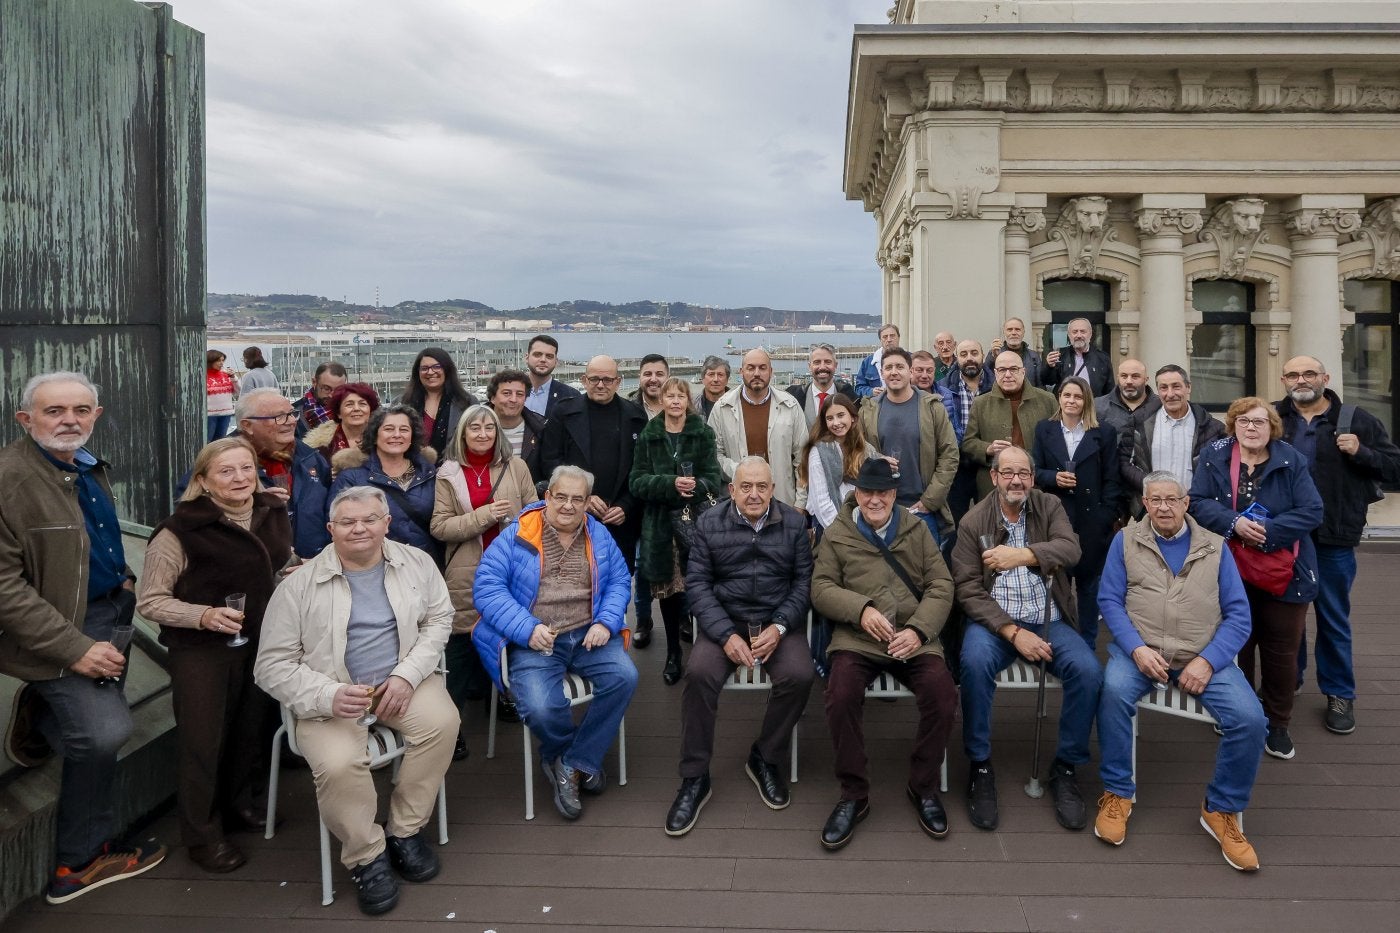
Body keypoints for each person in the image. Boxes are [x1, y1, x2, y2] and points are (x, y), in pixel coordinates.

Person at [0, 372, 167, 904]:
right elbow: (5, 587)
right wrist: (74, 649)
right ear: (26, 419)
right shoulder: (10, 481)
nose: (69, 420)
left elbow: (89, 536)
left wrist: (124, 579)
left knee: (100, 724)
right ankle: (80, 861)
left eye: (80, 409)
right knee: (100, 735)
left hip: (109, 611)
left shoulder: (86, 466)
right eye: (53, 411)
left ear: (96, 414)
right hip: (65, 629)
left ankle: (45, 710)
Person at [255, 486, 457, 916]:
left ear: (387, 523)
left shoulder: (416, 563)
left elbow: (439, 619)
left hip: (400, 681)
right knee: (338, 763)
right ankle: (367, 855)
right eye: (347, 522)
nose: (359, 528)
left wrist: (406, 675)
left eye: (370, 519)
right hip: (330, 693)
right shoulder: (299, 586)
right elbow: (271, 666)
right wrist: (328, 695)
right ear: (331, 530)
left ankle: (405, 830)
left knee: (442, 724)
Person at [1093, 470, 1265, 871]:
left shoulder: (1216, 547)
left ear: (1186, 503)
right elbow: (1110, 600)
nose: (1163, 507)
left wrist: (1208, 661)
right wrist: (1135, 649)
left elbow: (1239, 616)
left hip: (1202, 656)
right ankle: (1118, 791)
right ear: (1145, 503)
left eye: (1172, 499)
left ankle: (1221, 809)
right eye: (1155, 500)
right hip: (1142, 654)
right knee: (1112, 692)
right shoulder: (1126, 541)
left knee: (1251, 719)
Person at [136, 437, 292, 873]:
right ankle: (202, 836)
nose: (241, 478)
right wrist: (203, 615)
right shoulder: (178, 530)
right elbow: (150, 601)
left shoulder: (270, 511)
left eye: (246, 468)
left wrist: (290, 570)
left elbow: (275, 563)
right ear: (203, 481)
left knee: (249, 731)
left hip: (260, 641)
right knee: (203, 742)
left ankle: (239, 806)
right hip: (201, 651)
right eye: (227, 471)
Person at [472, 466, 639, 822]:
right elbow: (487, 587)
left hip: (587, 634)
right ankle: (568, 755)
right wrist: (527, 628)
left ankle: (574, 762)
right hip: (537, 640)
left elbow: (620, 581)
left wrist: (607, 621)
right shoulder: (518, 533)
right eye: (560, 496)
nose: (568, 505)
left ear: (586, 502)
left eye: (577, 499)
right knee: (540, 706)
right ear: (547, 496)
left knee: (624, 677)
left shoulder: (599, 534)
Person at [952, 446, 1102, 832]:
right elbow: (967, 589)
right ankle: (980, 763)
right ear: (994, 477)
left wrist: (1022, 556)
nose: (1016, 480)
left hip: (1050, 619)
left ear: (1033, 479)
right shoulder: (973, 521)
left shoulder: (1049, 506)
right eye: (1008, 473)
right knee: (972, 663)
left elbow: (1071, 550)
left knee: (1088, 671)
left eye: (1023, 473)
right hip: (996, 624)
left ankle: (1065, 767)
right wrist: (1012, 632)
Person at [811, 458, 958, 849]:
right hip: (858, 639)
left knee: (943, 697)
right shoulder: (838, 533)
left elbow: (942, 585)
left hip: (914, 636)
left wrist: (919, 629)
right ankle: (854, 794)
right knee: (839, 695)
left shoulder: (916, 529)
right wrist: (860, 610)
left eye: (884, 492)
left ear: (894, 494)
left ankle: (923, 786)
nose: (875, 499)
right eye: (868, 492)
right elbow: (821, 587)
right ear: (856, 493)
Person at [664, 458, 814, 837]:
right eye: (745, 486)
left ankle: (765, 756)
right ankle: (695, 777)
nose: (754, 494)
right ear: (732, 490)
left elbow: (803, 584)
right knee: (697, 674)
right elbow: (697, 584)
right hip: (725, 623)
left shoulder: (794, 524)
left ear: (774, 489)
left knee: (799, 675)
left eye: (762, 486)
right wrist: (725, 635)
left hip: (775, 621)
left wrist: (780, 626)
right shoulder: (709, 523)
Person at [1188, 399, 1323, 761]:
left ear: (1272, 427)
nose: (1252, 427)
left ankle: (1277, 723)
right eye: (1244, 421)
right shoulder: (1214, 457)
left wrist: (1266, 530)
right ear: (1233, 426)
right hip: (1230, 569)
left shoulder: (1290, 459)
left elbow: (1312, 510)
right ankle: (1240, 714)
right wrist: (1233, 523)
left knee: (1281, 651)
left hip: (1284, 572)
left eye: (1260, 421)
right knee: (1237, 646)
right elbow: (1197, 502)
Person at [1274, 356, 1400, 734]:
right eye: (1294, 374)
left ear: (1325, 378)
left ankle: (1339, 692)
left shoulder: (1357, 420)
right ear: (1284, 380)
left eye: (1309, 373)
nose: (1302, 380)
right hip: (1287, 536)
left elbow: (1394, 468)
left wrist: (1361, 452)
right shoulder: (1273, 418)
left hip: (1334, 536)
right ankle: (1287, 682)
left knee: (1332, 618)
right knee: (1286, 617)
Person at [432, 404, 539, 761]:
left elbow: (535, 515)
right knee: (460, 648)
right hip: (466, 570)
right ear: (462, 434)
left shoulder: (516, 466)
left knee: (509, 636)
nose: (482, 434)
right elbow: (440, 527)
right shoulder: (447, 473)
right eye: (474, 428)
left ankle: (507, 698)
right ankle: (451, 727)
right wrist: (482, 516)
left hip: (511, 569)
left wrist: (517, 523)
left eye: (488, 428)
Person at [538, 355, 649, 646]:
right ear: (584, 380)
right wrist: (584, 500)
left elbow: (643, 469)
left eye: (608, 379)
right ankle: (569, 643)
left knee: (618, 585)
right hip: (573, 516)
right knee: (571, 583)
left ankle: (611, 642)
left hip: (620, 519)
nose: (601, 385)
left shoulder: (635, 414)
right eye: (594, 379)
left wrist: (626, 504)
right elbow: (550, 462)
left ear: (618, 381)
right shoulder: (564, 413)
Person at [629, 377, 723, 685]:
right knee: (668, 594)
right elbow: (637, 481)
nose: (674, 401)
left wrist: (695, 486)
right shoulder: (649, 435)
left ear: (688, 400)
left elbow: (714, 477)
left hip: (697, 524)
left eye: (680, 395)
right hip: (661, 526)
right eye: (669, 396)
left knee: (700, 588)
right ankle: (673, 653)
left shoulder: (703, 433)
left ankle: (704, 652)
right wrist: (669, 484)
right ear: (662, 401)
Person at [1033, 376, 1122, 648]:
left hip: (1091, 520)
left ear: (1087, 401)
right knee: (1057, 584)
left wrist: (1105, 516)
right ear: (1059, 398)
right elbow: (1034, 470)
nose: (1071, 401)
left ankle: (1088, 643)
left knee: (1087, 586)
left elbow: (1112, 478)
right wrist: (1053, 478)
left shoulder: (1103, 432)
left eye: (1078, 397)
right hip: (1056, 518)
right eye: (1067, 395)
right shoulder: (1044, 429)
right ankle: (1059, 643)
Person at [857, 347, 959, 552]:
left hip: (922, 509)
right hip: (882, 509)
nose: (894, 372)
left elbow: (950, 455)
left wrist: (929, 501)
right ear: (882, 373)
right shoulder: (868, 410)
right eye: (888, 368)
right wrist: (877, 460)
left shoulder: (932, 408)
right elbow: (857, 453)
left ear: (910, 371)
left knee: (925, 575)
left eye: (899, 367)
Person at [331, 404, 442, 566]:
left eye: (404, 430)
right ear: (375, 434)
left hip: (425, 564)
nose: (397, 435)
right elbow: (338, 526)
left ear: (413, 436)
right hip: (374, 565)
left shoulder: (429, 473)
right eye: (389, 429)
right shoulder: (352, 478)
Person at [233, 388, 333, 560]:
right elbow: (196, 511)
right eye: (278, 417)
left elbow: (331, 511)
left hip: (312, 566)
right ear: (247, 425)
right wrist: (248, 502)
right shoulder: (222, 462)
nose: (291, 421)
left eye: (292, 413)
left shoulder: (311, 458)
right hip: (255, 571)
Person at [707, 348, 808, 509]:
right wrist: (741, 471)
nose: (756, 373)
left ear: (771, 371)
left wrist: (800, 503)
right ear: (741, 371)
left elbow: (803, 458)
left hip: (782, 501)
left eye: (762, 368)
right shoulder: (722, 408)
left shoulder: (790, 406)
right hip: (738, 505)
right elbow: (713, 454)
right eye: (750, 368)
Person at [1119, 364, 1225, 503]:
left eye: (1176, 386)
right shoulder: (1138, 422)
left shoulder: (1212, 428)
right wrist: (1149, 486)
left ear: (1188, 387)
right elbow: (1124, 462)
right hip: (1152, 506)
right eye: (1163, 388)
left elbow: (1220, 470)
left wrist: (1195, 494)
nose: (1170, 394)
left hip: (1196, 507)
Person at [961, 350, 1058, 500]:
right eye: (1002, 370)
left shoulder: (1047, 400)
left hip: (1037, 485)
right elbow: (968, 443)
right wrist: (987, 448)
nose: (1007, 375)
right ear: (995, 373)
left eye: (1013, 369)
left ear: (1023, 371)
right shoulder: (981, 403)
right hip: (993, 486)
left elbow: (1058, 442)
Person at [800, 395, 879, 532]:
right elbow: (821, 502)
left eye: (841, 415)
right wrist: (843, 532)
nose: (836, 423)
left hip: (863, 526)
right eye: (830, 418)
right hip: (832, 528)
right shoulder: (819, 451)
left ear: (852, 417)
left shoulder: (864, 448)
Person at [940, 338, 994, 522]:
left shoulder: (997, 387)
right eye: (963, 354)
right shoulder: (943, 388)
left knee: (989, 520)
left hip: (988, 465)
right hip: (957, 468)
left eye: (974, 353)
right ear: (956, 358)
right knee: (956, 523)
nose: (969, 358)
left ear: (983, 356)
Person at [401, 347, 477, 459]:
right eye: (424, 368)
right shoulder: (402, 403)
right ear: (417, 373)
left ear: (447, 369)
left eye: (437, 367)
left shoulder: (467, 403)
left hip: (454, 470)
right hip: (410, 471)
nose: (430, 372)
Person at [486, 369, 546, 482]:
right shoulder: (474, 427)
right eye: (506, 393)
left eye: (519, 394)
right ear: (493, 398)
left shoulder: (540, 429)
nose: (513, 399)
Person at [303, 382, 381, 462]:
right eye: (349, 404)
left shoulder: (383, 439)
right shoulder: (319, 447)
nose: (356, 408)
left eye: (362, 404)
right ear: (339, 413)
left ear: (371, 411)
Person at [787, 343, 856, 428]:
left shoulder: (850, 397)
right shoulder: (794, 397)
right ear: (809, 366)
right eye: (817, 362)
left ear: (835, 366)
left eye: (827, 362)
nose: (822, 367)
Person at [1041, 318, 1112, 396]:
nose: (1079, 335)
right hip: (1067, 405)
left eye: (1083, 331)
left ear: (1090, 334)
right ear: (1069, 335)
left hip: (1093, 405)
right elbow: (1048, 381)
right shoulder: (1060, 355)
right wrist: (1049, 367)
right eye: (1075, 332)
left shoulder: (1102, 358)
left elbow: (1109, 389)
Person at [1093, 358, 1152, 446]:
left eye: (1135, 376)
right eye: (1124, 376)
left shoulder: (1160, 406)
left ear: (1146, 380)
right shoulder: (1097, 406)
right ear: (1118, 378)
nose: (1129, 381)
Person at [523, 334, 581, 419]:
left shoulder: (571, 396)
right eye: (537, 354)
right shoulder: (511, 392)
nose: (543, 360)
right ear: (527, 358)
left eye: (549, 356)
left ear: (556, 361)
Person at [293, 361, 348, 437]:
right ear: (314, 382)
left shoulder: (351, 411)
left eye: (339, 390)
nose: (332, 395)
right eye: (326, 388)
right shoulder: (294, 413)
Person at [986, 317, 1045, 388]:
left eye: (1017, 329)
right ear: (1004, 332)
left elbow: (1040, 384)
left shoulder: (1034, 356)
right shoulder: (995, 353)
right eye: (1009, 330)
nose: (1014, 333)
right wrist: (993, 357)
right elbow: (985, 377)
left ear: (1023, 332)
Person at [854, 323, 901, 398]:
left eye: (892, 336)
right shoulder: (868, 362)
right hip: (876, 406)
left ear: (898, 337)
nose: (889, 340)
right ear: (880, 340)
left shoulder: (910, 359)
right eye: (885, 337)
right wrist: (871, 391)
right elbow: (858, 389)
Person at [206, 349, 236, 441]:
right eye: (219, 360)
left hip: (226, 414)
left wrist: (234, 378)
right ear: (211, 361)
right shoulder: (203, 375)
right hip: (209, 415)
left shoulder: (227, 375)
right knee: (207, 441)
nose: (222, 363)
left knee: (220, 442)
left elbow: (238, 391)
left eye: (223, 360)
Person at [630, 353, 669, 420]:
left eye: (659, 374)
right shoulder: (627, 409)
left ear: (668, 378)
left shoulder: (685, 407)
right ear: (639, 377)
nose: (653, 379)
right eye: (648, 374)